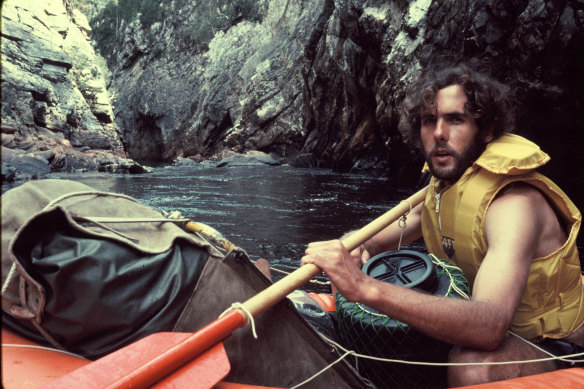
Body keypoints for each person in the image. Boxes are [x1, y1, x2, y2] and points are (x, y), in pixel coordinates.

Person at [301, 63, 584, 386]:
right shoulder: (442, 190)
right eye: (428, 120)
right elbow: (371, 239)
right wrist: (355, 246)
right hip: (487, 328)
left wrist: (366, 287)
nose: (438, 133)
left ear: (487, 129)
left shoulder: (514, 206)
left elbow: (489, 327)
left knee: (473, 367)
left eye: (455, 119)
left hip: (554, 348)